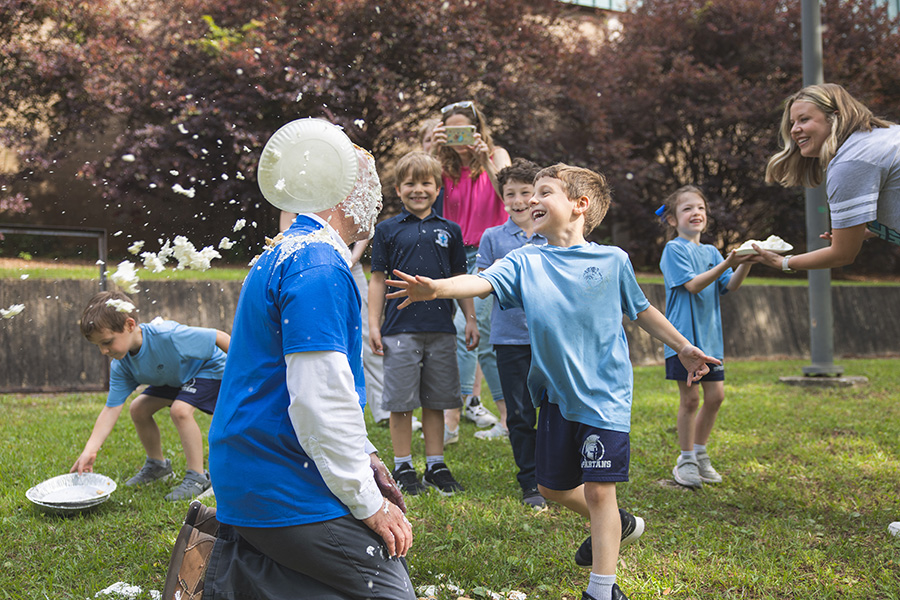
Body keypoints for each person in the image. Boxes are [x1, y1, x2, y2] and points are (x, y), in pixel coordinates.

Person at [386, 163, 720, 600]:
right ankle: (620, 524)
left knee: (600, 491)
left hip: (605, 395)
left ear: (580, 206)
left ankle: (602, 589)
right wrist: (439, 288)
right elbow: (481, 281)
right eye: (531, 194)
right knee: (552, 487)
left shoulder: (612, 259)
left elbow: (640, 310)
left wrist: (683, 346)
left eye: (545, 193)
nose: (532, 201)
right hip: (556, 397)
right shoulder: (526, 260)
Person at [207, 138, 415, 599]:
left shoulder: (291, 249)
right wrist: (369, 505)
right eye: (371, 182)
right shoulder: (317, 264)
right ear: (340, 190)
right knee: (391, 592)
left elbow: (321, 394)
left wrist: (366, 458)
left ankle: (240, 571)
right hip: (277, 477)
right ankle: (232, 573)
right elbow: (320, 400)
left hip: (254, 467)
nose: (380, 197)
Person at [760, 82, 900, 535]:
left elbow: (842, 255)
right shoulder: (880, 140)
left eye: (804, 120)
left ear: (834, 116)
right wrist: (869, 228)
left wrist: (781, 261)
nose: (796, 130)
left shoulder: (852, 160)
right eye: (792, 123)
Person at [368, 150, 477, 496]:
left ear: (438, 187)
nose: (419, 190)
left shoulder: (450, 231)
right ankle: (403, 467)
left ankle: (435, 464)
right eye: (410, 183)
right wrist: (373, 324)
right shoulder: (386, 231)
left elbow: (461, 279)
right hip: (399, 330)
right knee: (401, 402)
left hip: (442, 330)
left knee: (436, 400)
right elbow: (377, 280)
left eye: (426, 183)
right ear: (398, 189)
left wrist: (470, 319)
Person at [72, 290, 229, 501]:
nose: (103, 351)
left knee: (180, 411)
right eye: (98, 345)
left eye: (107, 342)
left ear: (129, 325)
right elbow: (111, 408)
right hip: (176, 377)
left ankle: (198, 477)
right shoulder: (122, 365)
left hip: (209, 369)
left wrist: (245, 369)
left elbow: (218, 337)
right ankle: (158, 467)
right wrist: (90, 451)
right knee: (139, 408)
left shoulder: (168, 336)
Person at [657, 185, 754, 489]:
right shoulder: (674, 249)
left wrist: (748, 261)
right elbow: (694, 285)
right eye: (687, 209)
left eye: (700, 207)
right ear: (672, 220)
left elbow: (731, 286)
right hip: (683, 342)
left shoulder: (711, 251)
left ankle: (700, 454)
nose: (696, 213)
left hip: (711, 341)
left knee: (716, 397)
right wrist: (728, 262)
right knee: (691, 400)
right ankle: (685, 460)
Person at [429, 100, 512, 440]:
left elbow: (509, 196)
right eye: (452, 131)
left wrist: (485, 159)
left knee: (467, 330)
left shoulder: (497, 156)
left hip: (488, 256)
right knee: (481, 339)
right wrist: (427, 149)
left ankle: (451, 421)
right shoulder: (442, 165)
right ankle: (506, 418)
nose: (458, 138)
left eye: (465, 129)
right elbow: (420, 190)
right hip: (450, 255)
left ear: (478, 130)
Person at [279, 210, 402, 427]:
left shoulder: (345, 184)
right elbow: (286, 228)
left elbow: (363, 224)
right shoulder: (296, 187)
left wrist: (351, 258)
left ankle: (384, 409)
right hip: (310, 265)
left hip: (348, 264)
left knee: (365, 336)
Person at [473, 158, 547, 507]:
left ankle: (556, 475)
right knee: (519, 413)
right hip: (510, 339)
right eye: (510, 194)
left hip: (550, 338)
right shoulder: (493, 237)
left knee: (554, 410)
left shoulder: (554, 234)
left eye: (525, 192)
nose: (518, 201)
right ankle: (530, 481)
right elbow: (482, 283)